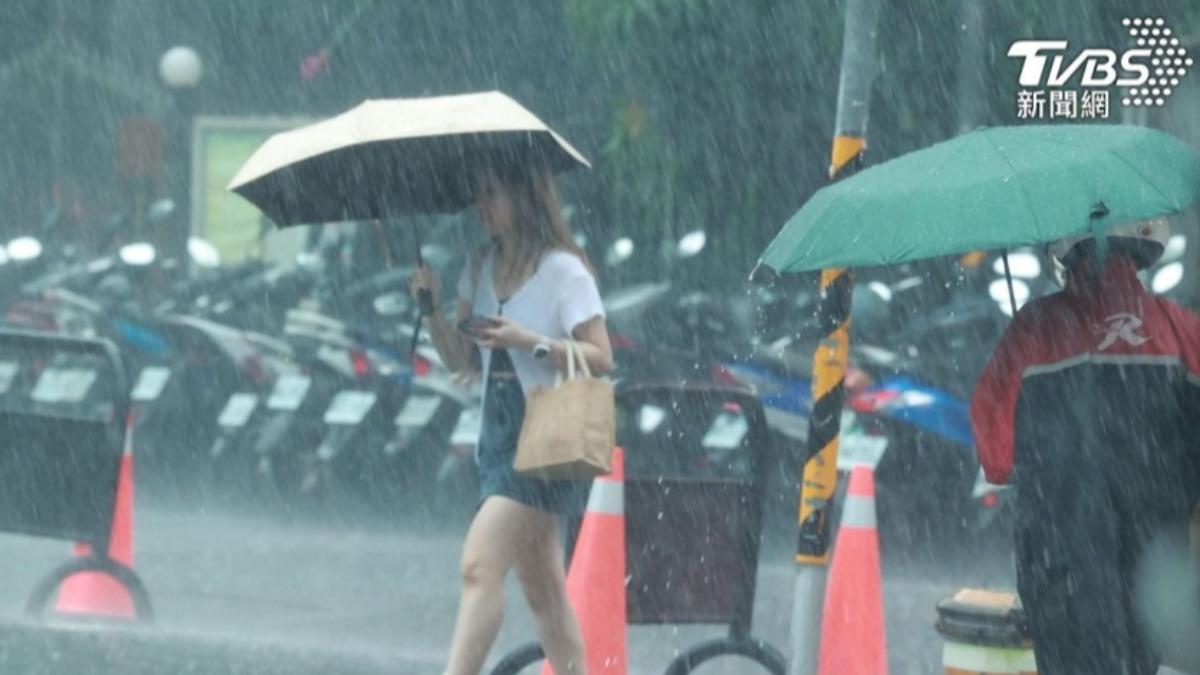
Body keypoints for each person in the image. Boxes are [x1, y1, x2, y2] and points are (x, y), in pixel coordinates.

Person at [971, 217, 1200, 674]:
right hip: (1157, 567)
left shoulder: (1032, 329)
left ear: (1065, 248)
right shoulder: (1183, 330)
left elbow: (995, 458)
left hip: (1059, 561)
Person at [410, 163, 612, 675]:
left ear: (524, 195)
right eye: (478, 197)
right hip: (495, 439)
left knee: (480, 566)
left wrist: (529, 341)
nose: (483, 207)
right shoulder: (478, 268)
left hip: (545, 440)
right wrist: (432, 310)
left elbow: (601, 357)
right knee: (544, 591)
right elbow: (461, 361)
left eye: (492, 195)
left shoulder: (562, 270)